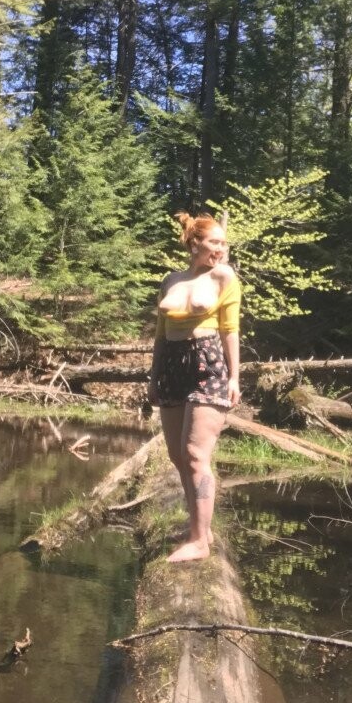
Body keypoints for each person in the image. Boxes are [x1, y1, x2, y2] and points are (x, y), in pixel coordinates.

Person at [148, 212, 241, 562]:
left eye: (223, 243)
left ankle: (199, 542)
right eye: (214, 242)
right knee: (177, 455)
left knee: (196, 455)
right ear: (194, 243)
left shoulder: (224, 276)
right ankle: (201, 528)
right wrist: (153, 376)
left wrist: (235, 377)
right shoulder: (171, 280)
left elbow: (230, 330)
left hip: (207, 363)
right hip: (171, 365)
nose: (221, 248)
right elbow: (160, 335)